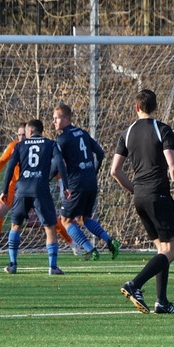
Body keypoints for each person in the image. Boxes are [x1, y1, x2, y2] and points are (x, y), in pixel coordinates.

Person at [111, 89, 174, 314]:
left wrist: (135, 189)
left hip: (140, 197)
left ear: (136, 107)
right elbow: (173, 166)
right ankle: (134, 285)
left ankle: (162, 302)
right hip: (158, 195)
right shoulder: (162, 129)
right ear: (155, 107)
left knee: (162, 250)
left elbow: (115, 171)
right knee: (172, 251)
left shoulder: (127, 133)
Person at [0, 124, 77, 256]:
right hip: (15, 188)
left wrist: (60, 183)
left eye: (23, 135)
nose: (21, 138)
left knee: (50, 220)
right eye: (19, 135)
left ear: (29, 133)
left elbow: (55, 164)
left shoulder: (38, 146)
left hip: (32, 188)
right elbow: (2, 161)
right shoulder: (14, 146)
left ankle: (72, 243)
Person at [0, 119, 69, 275]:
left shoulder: (19, 145)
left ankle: (12, 264)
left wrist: (4, 190)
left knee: (15, 225)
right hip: (40, 189)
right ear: (40, 131)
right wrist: (66, 186)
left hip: (22, 189)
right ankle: (52, 267)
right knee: (49, 227)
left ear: (29, 132)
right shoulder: (51, 144)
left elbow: (10, 167)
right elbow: (60, 164)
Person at [52, 103, 120, 260]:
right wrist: (92, 172)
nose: (53, 121)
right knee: (83, 218)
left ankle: (90, 249)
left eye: (56, 118)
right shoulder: (83, 133)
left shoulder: (62, 139)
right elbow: (100, 153)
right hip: (91, 182)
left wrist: (50, 178)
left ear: (66, 118)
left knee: (65, 220)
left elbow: (58, 164)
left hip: (76, 184)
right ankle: (110, 241)